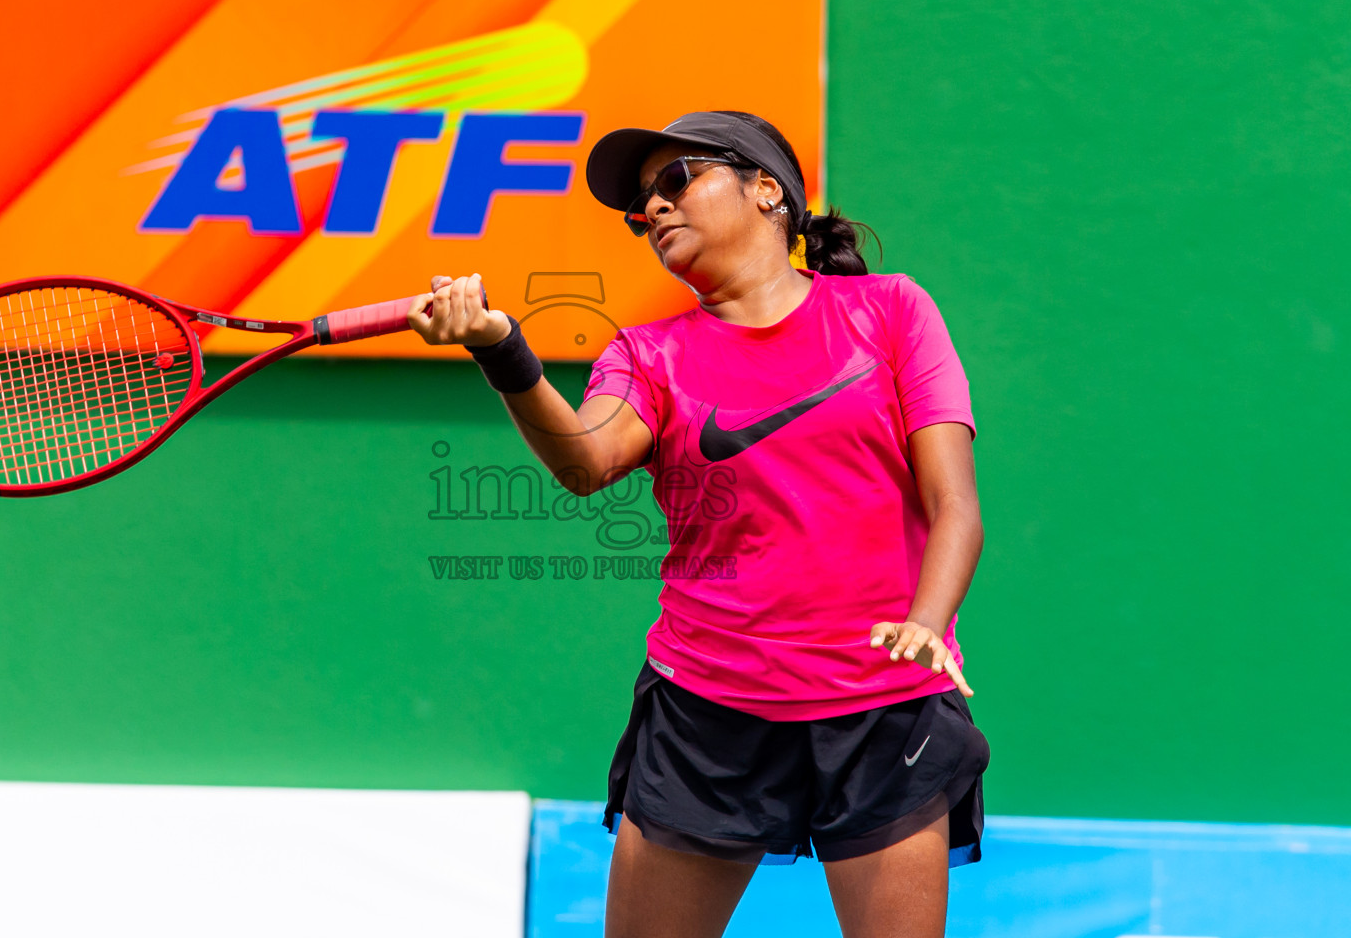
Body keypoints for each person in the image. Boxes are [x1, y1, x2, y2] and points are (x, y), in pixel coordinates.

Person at [408, 110, 989, 938]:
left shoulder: (891, 312)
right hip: (708, 713)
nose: (654, 211)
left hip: (884, 711)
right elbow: (587, 460)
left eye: (676, 180)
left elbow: (955, 505)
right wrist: (504, 349)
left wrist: (928, 622)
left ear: (766, 191)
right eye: (640, 207)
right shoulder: (646, 355)